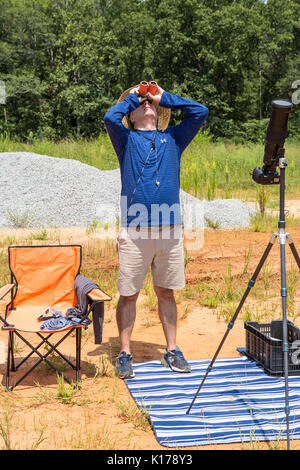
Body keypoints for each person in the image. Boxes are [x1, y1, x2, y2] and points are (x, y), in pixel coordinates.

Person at [104, 82, 209, 379]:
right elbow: (110, 118)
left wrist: (164, 98)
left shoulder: (174, 138)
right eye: (140, 105)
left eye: (150, 103)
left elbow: (201, 112)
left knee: (166, 292)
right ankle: (125, 352)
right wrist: (134, 96)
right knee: (129, 294)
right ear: (132, 117)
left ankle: (172, 350)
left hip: (170, 232)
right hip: (135, 232)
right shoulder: (125, 140)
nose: (146, 104)